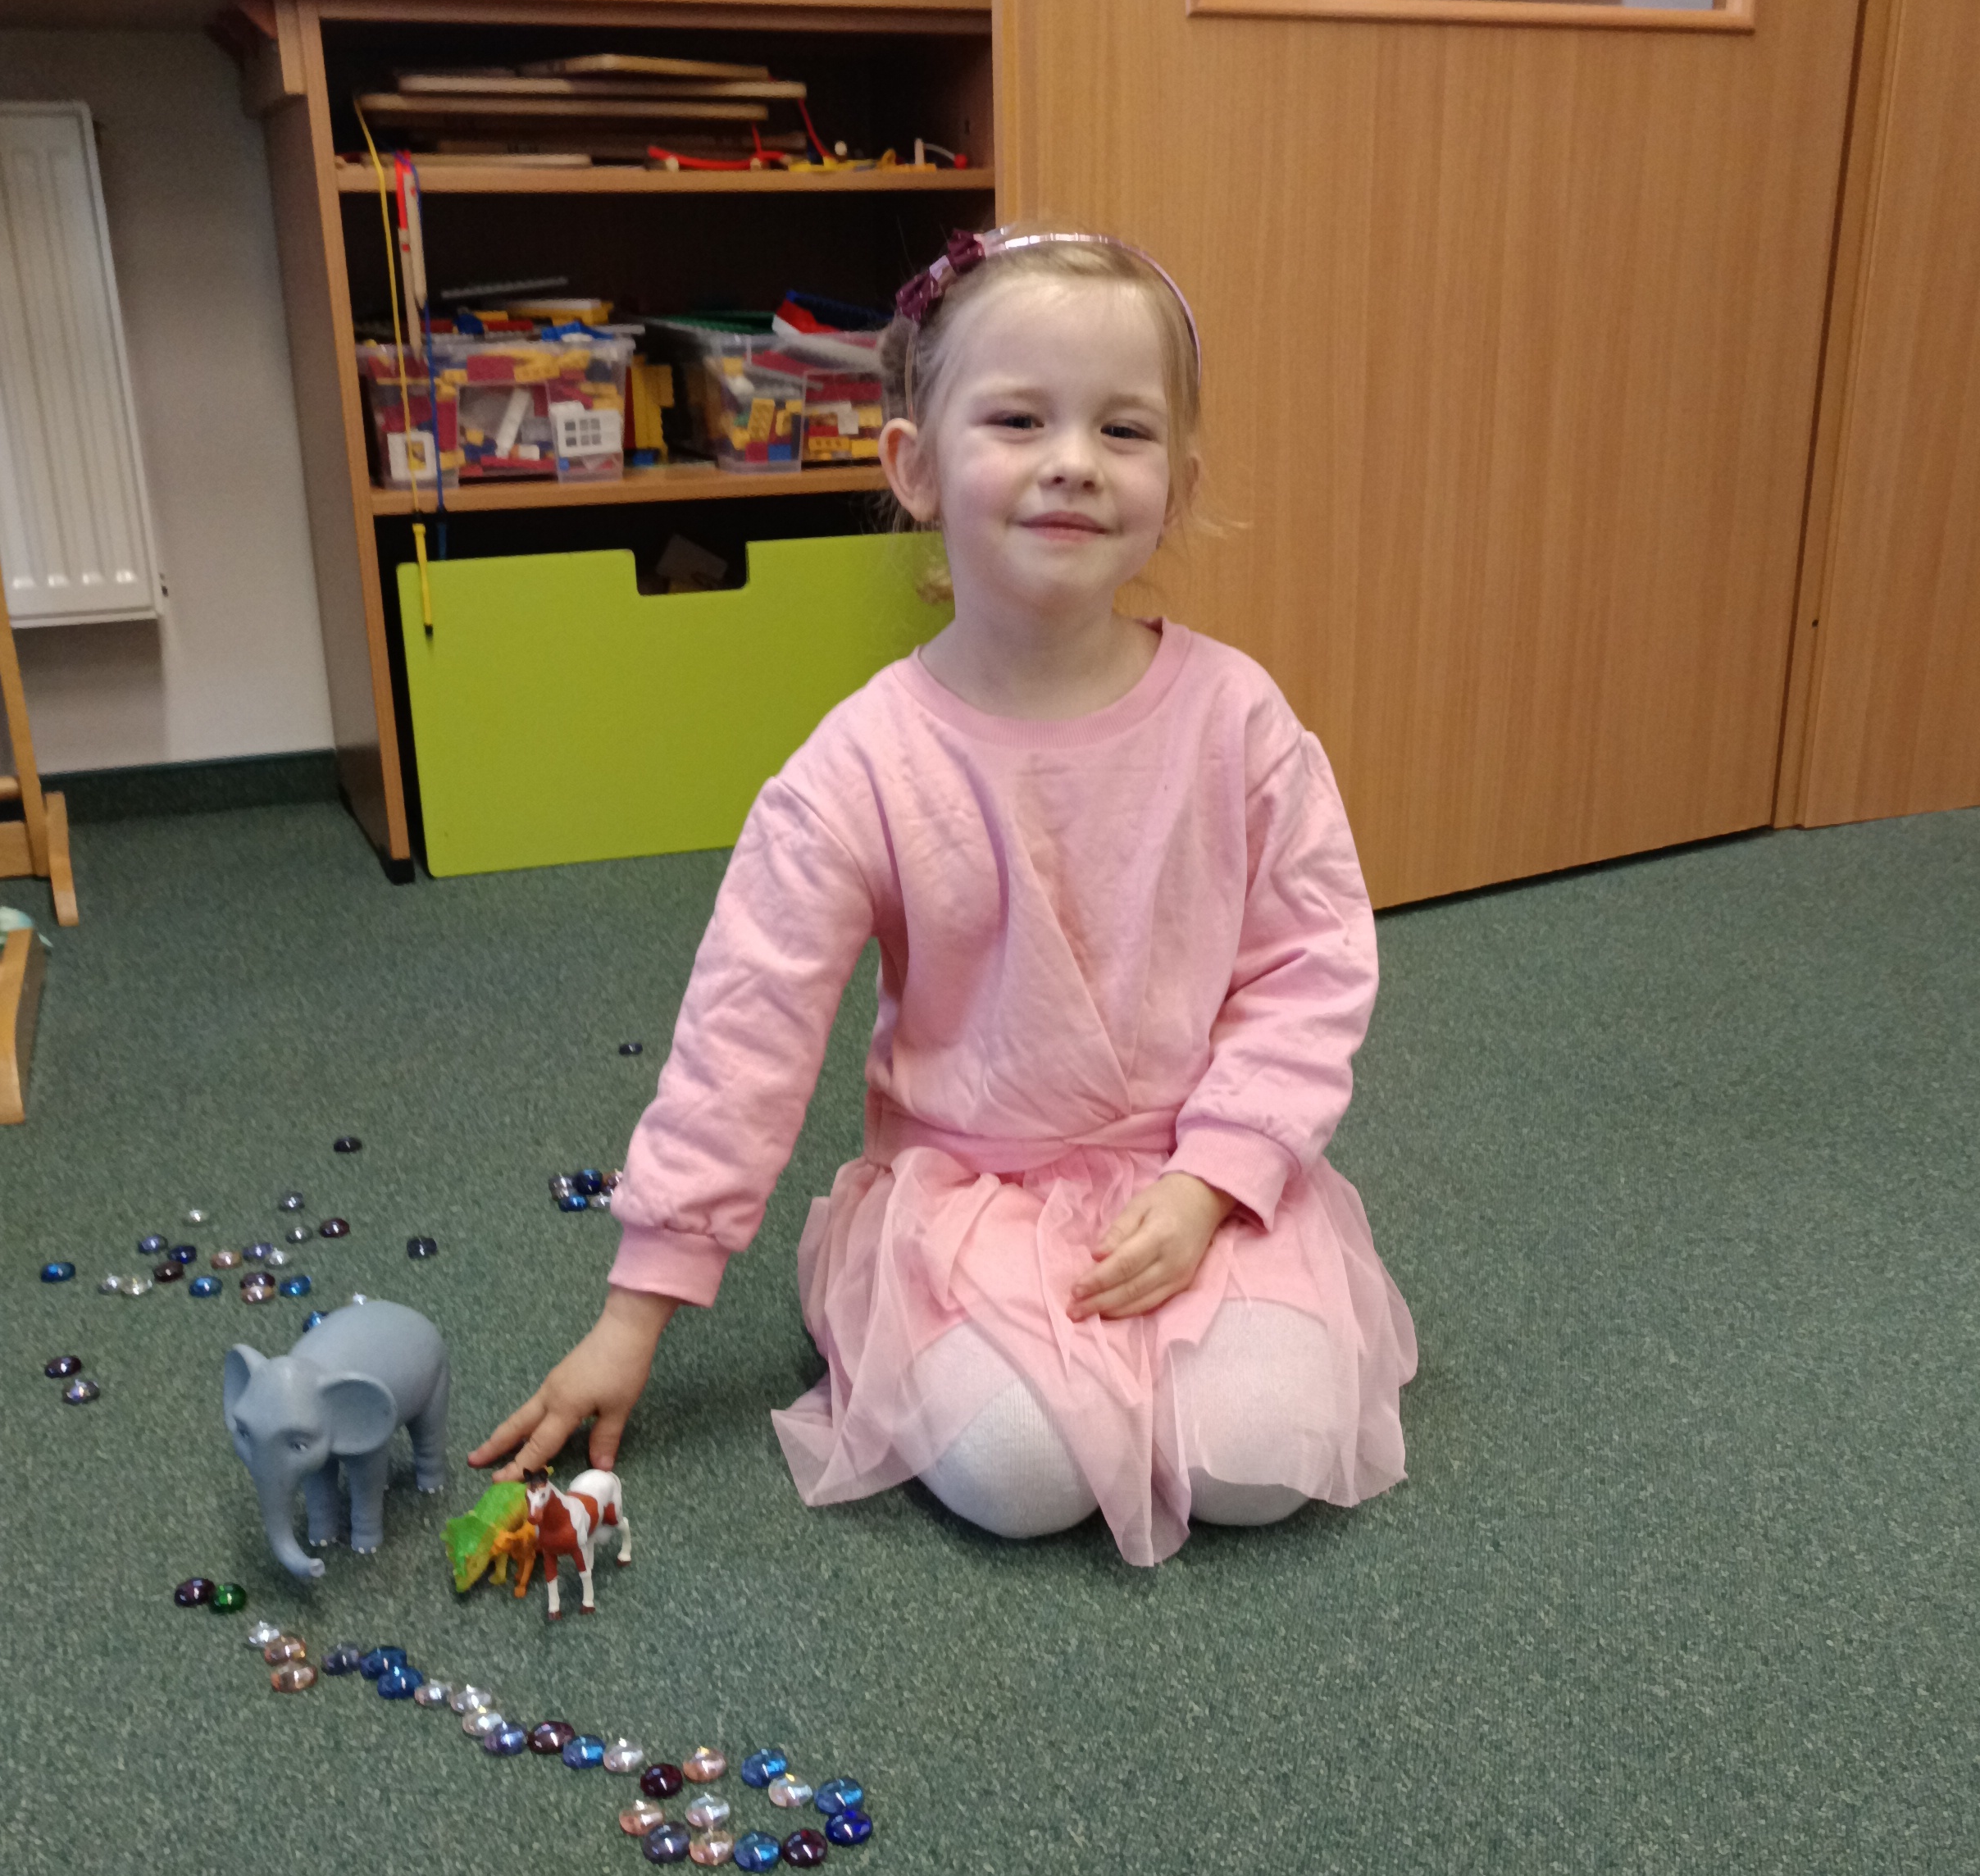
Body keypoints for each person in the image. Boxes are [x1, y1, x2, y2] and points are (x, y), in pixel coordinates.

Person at [471, 225, 1416, 1564]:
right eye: (1019, 419)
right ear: (914, 466)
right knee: (1022, 1475)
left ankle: (1175, 1326)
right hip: (970, 1198)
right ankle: (902, 1309)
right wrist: (637, 1314)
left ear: (1180, 483)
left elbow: (1312, 966)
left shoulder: (1239, 718)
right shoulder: (861, 765)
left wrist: (1216, 1181)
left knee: (1261, 1462)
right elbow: (745, 1034)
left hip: (1195, 1174)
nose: (1074, 460)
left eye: (1125, 430)